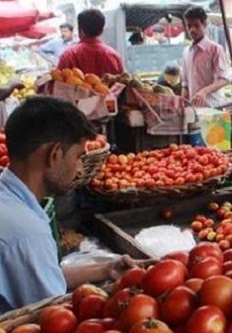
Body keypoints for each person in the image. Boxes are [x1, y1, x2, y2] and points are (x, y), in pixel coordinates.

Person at [0, 96, 141, 313]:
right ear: (54, 154)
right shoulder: (25, 233)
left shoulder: (8, 198)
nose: (80, 169)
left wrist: (107, 269)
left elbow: (42, 275)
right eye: (77, 156)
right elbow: (53, 315)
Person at [181, 6, 230, 107]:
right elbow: (185, 83)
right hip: (194, 108)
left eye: (196, 25)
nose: (192, 30)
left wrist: (204, 91)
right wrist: (182, 102)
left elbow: (224, 79)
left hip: (214, 107)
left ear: (205, 24)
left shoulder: (215, 49)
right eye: (189, 26)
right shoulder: (186, 52)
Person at [57, 9, 124, 76]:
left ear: (80, 30)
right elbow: (123, 83)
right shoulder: (113, 55)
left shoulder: (68, 55)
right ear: (102, 31)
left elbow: (56, 83)